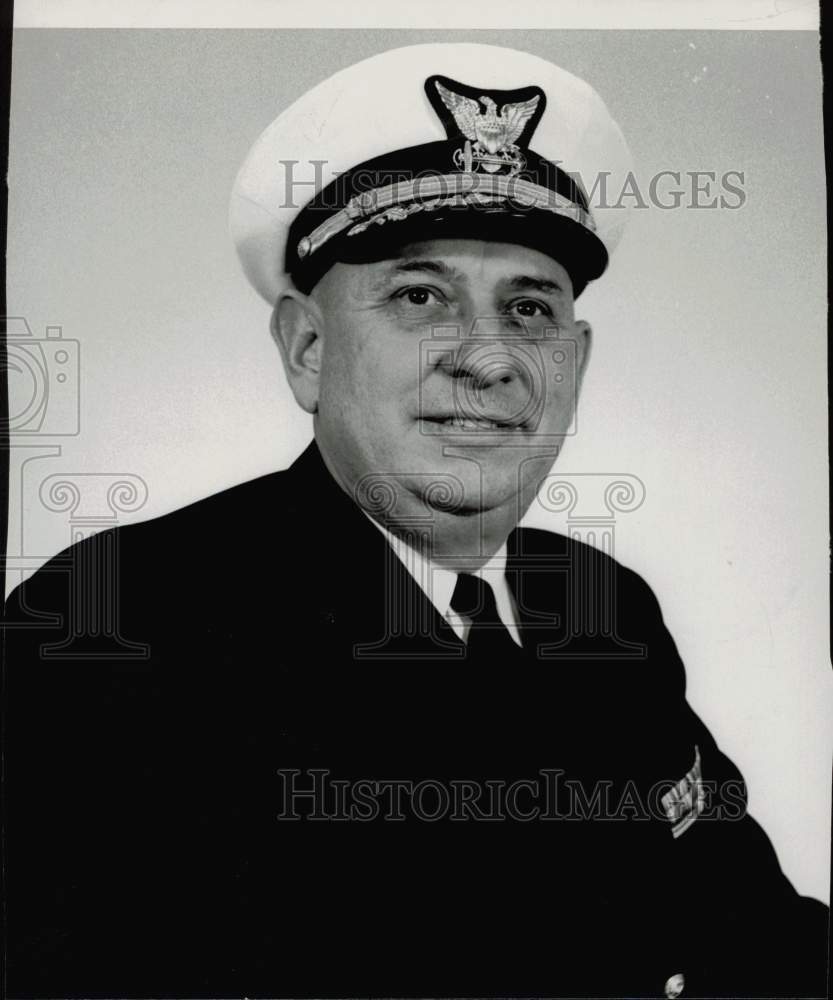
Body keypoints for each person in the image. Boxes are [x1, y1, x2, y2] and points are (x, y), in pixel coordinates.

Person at [2, 43, 828, 999]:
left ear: (576, 362)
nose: (486, 359)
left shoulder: (604, 610)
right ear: (307, 347)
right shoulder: (113, 625)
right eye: (419, 295)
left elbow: (756, 934)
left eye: (527, 308)